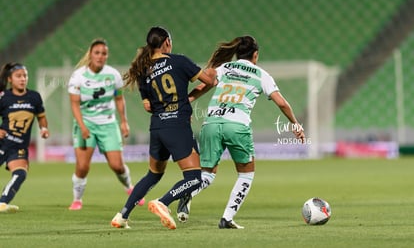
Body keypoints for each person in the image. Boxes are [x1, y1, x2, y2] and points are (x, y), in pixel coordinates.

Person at [176, 35, 306, 229]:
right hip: (237, 125)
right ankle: (227, 218)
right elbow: (282, 103)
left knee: (207, 175)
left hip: (211, 122)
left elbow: (204, 86)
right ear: (255, 55)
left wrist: (185, 102)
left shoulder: (224, 68)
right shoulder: (261, 74)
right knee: (246, 174)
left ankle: (189, 192)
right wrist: (295, 124)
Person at [110, 26, 215, 230]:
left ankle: (122, 216)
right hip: (177, 125)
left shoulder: (143, 71)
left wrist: (183, 100)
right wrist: (209, 80)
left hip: (158, 127)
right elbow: (210, 81)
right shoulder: (179, 61)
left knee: (153, 174)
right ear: (167, 41)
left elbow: (148, 106)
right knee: (194, 178)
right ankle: (163, 202)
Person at [67, 39, 140, 210]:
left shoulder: (113, 75)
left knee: (117, 165)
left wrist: (124, 122)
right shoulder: (78, 76)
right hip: (85, 124)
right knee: (83, 166)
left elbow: (119, 98)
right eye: (97, 53)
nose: (100, 56)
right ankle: (77, 199)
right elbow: (74, 104)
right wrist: (83, 127)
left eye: (104, 53)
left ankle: (129, 187)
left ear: (107, 55)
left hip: (108, 124)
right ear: (90, 55)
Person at [0, 62, 49, 213]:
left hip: (19, 146)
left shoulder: (34, 97)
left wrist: (44, 128)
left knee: (21, 173)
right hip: (2, 143)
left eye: (25, 76)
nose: (23, 79)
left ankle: (2, 203)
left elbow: (41, 116)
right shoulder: (3, 97)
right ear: (10, 79)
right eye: (18, 76)